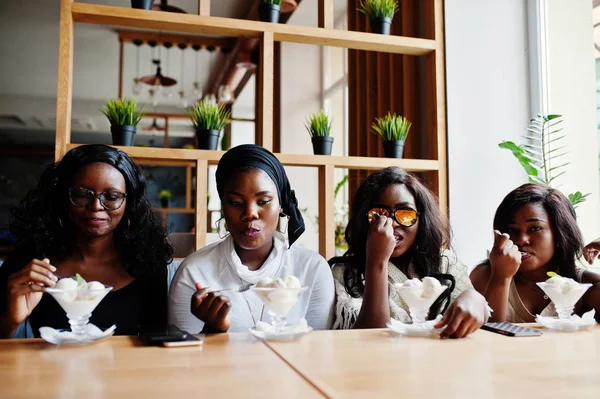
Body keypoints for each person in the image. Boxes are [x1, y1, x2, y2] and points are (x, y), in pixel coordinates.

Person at [0, 144, 173, 338]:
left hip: (126, 369)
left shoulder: (147, 261)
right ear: (63, 198)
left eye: (112, 197)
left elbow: (158, 343)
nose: (96, 206)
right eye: (82, 194)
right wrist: (10, 321)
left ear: (128, 203)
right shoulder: (29, 262)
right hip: (50, 368)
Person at [168, 144, 335, 333]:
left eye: (263, 202)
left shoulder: (311, 269)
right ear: (223, 206)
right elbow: (183, 359)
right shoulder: (195, 273)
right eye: (236, 203)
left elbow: (319, 351)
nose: (250, 214)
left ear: (281, 204)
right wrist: (212, 331)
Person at [332, 166, 488, 338]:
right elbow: (370, 337)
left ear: (422, 219)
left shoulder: (445, 263)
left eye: (405, 214)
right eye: (379, 214)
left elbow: (475, 314)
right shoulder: (345, 274)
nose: (392, 223)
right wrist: (377, 262)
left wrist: (474, 298)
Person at [470, 183, 600, 322]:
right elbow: (489, 337)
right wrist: (501, 277)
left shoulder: (584, 285)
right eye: (513, 230)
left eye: (534, 229)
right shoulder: (485, 276)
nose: (521, 240)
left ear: (559, 234)